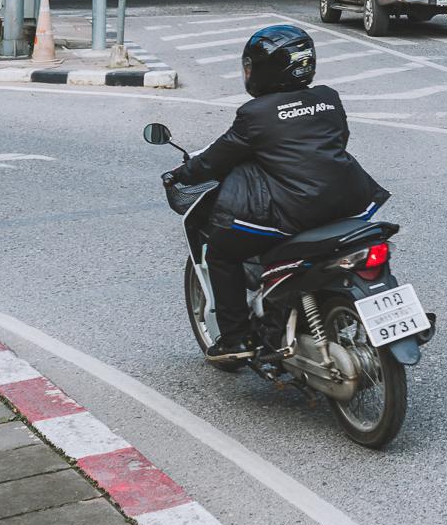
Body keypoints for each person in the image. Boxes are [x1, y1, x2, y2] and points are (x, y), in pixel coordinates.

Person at [165, 24, 388, 363]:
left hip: (298, 212)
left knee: (222, 252)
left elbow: (214, 160)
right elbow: (336, 140)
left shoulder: (255, 114)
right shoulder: (328, 98)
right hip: (350, 202)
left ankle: (236, 339)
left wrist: (180, 174)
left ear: (263, 69)